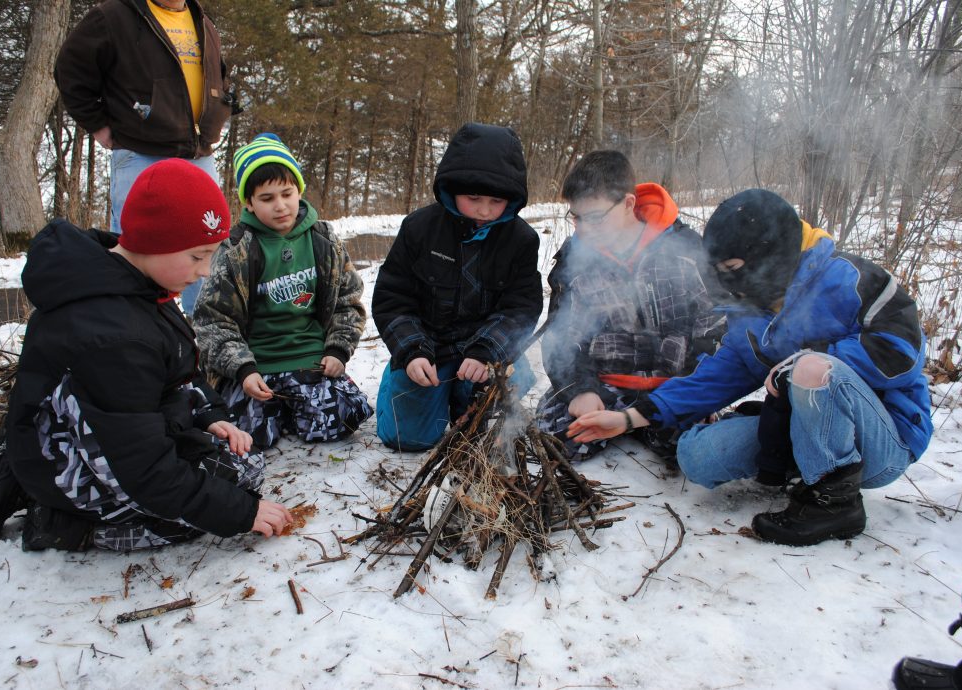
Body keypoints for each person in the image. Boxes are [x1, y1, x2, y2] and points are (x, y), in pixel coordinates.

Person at [567, 188, 932, 546]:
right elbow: (714, 377)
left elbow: (900, 353)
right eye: (719, 270)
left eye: (733, 269)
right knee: (697, 457)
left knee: (811, 369)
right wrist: (631, 417)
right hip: (803, 424)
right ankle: (805, 456)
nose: (725, 281)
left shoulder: (849, 280)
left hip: (885, 440)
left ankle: (835, 504)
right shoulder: (750, 308)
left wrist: (797, 367)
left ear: (769, 256)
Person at [0, 159, 292, 551]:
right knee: (195, 516)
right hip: (63, 468)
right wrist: (241, 514)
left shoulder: (142, 283)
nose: (205, 271)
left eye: (211, 255)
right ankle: (67, 527)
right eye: (197, 256)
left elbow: (179, 369)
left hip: (121, 434)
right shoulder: (110, 333)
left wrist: (210, 415)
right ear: (155, 241)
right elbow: (143, 470)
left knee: (243, 469)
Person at [536, 150, 725, 462]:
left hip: (670, 389)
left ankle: (652, 426)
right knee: (557, 441)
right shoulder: (574, 260)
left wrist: (696, 391)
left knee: (687, 450)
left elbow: (714, 330)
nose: (582, 230)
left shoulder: (684, 249)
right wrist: (581, 390)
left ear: (627, 203)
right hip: (604, 386)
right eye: (576, 217)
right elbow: (560, 337)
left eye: (594, 217)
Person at [54, 0, 235, 314]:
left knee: (208, 248)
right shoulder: (113, 16)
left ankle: (204, 335)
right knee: (136, 249)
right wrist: (98, 125)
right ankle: (131, 331)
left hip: (198, 152)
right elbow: (69, 70)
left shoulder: (201, 19)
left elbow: (216, 77)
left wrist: (218, 111)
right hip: (141, 151)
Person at [193, 133, 372, 449]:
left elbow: (349, 302)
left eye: (287, 194)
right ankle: (274, 409)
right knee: (247, 437)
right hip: (257, 367)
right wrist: (243, 369)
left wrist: (337, 350)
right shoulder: (236, 251)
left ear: (299, 190)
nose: (280, 206)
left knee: (343, 419)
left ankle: (296, 407)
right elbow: (213, 322)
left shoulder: (324, 240)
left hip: (310, 360)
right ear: (248, 202)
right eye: (267, 198)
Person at [372, 123, 543, 451]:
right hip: (429, 351)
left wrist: (487, 350)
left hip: (483, 354)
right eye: (474, 198)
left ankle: (461, 395)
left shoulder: (521, 240)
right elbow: (393, 299)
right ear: (451, 190)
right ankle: (402, 380)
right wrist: (411, 350)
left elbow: (521, 307)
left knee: (488, 422)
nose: (483, 210)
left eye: (496, 201)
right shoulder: (419, 229)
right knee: (407, 437)